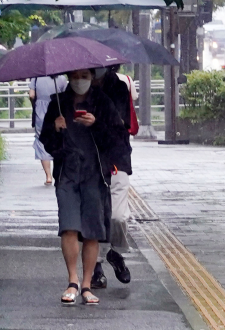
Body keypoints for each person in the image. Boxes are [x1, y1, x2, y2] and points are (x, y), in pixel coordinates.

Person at [39, 68, 128, 306]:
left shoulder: (102, 103)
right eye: (75, 76)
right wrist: (55, 129)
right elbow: (47, 142)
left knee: (91, 230)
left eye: (85, 76)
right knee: (68, 226)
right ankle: (72, 281)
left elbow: (116, 139)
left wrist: (96, 124)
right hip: (67, 172)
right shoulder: (57, 103)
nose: (80, 81)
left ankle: (87, 284)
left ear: (92, 77)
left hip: (94, 174)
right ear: (68, 77)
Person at [90, 65, 134, 288]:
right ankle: (95, 267)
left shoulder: (118, 87)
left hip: (116, 158)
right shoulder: (77, 90)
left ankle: (115, 252)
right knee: (95, 216)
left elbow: (119, 125)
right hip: (89, 161)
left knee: (118, 216)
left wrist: (95, 122)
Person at [29, 75, 67, 185]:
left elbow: (31, 95)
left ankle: (48, 176)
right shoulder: (62, 79)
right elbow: (65, 96)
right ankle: (58, 172)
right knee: (58, 138)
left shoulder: (35, 78)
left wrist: (35, 104)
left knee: (41, 139)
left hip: (40, 108)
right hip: (57, 109)